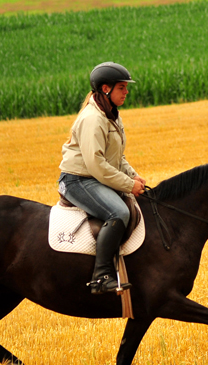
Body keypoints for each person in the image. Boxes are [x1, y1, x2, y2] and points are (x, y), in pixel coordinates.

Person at [58, 62, 147, 294]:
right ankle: (101, 276)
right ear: (105, 89)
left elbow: (116, 157)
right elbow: (97, 165)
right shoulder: (93, 119)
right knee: (119, 212)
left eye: (126, 87)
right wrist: (129, 185)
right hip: (78, 180)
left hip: (93, 176)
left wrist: (134, 175)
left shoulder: (112, 115)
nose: (126, 92)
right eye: (121, 87)